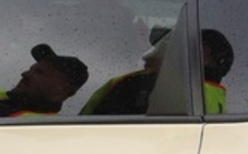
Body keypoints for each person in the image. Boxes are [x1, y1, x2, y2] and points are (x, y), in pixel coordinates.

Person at [80, 27, 234, 115]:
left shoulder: (132, 85)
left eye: (167, 45)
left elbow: (82, 127)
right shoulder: (220, 106)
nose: (147, 55)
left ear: (203, 53)